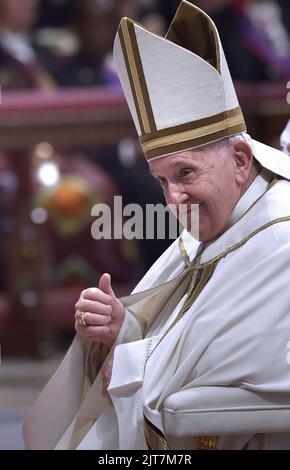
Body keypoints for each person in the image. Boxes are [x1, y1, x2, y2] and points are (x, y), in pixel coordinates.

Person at [23, 1, 290, 450]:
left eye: (185, 174)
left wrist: (129, 365)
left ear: (241, 160)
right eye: (161, 181)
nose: (172, 199)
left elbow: (252, 366)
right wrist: (123, 326)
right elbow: (187, 337)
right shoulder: (217, 217)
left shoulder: (280, 237)